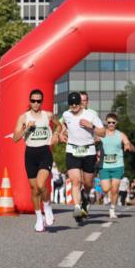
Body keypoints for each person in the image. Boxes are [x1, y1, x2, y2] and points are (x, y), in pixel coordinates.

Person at [13, 88, 58, 232]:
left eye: (39, 101)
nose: (36, 103)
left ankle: (47, 206)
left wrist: (56, 134)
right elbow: (15, 138)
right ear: (30, 101)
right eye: (33, 101)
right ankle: (39, 217)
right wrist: (26, 129)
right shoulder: (23, 117)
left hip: (45, 151)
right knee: (34, 189)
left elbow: (61, 125)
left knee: (40, 184)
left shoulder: (48, 115)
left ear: (42, 102)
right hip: (30, 153)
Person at [58, 91, 105, 224]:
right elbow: (63, 125)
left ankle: (85, 197)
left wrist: (92, 126)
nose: (74, 106)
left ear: (81, 104)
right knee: (76, 181)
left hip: (89, 151)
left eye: (76, 104)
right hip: (72, 150)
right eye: (71, 105)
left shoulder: (91, 115)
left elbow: (103, 132)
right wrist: (60, 133)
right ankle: (77, 208)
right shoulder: (66, 114)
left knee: (88, 184)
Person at [97, 113, 135, 219]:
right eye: (109, 122)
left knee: (115, 188)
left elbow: (127, 142)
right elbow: (92, 141)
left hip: (117, 165)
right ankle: (108, 198)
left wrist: (127, 145)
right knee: (105, 189)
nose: (111, 124)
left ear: (116, 123)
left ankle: (112, 209)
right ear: (106, 122)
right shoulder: (102, 134)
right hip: (104, 165)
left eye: (113, 122)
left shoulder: (120, 135)